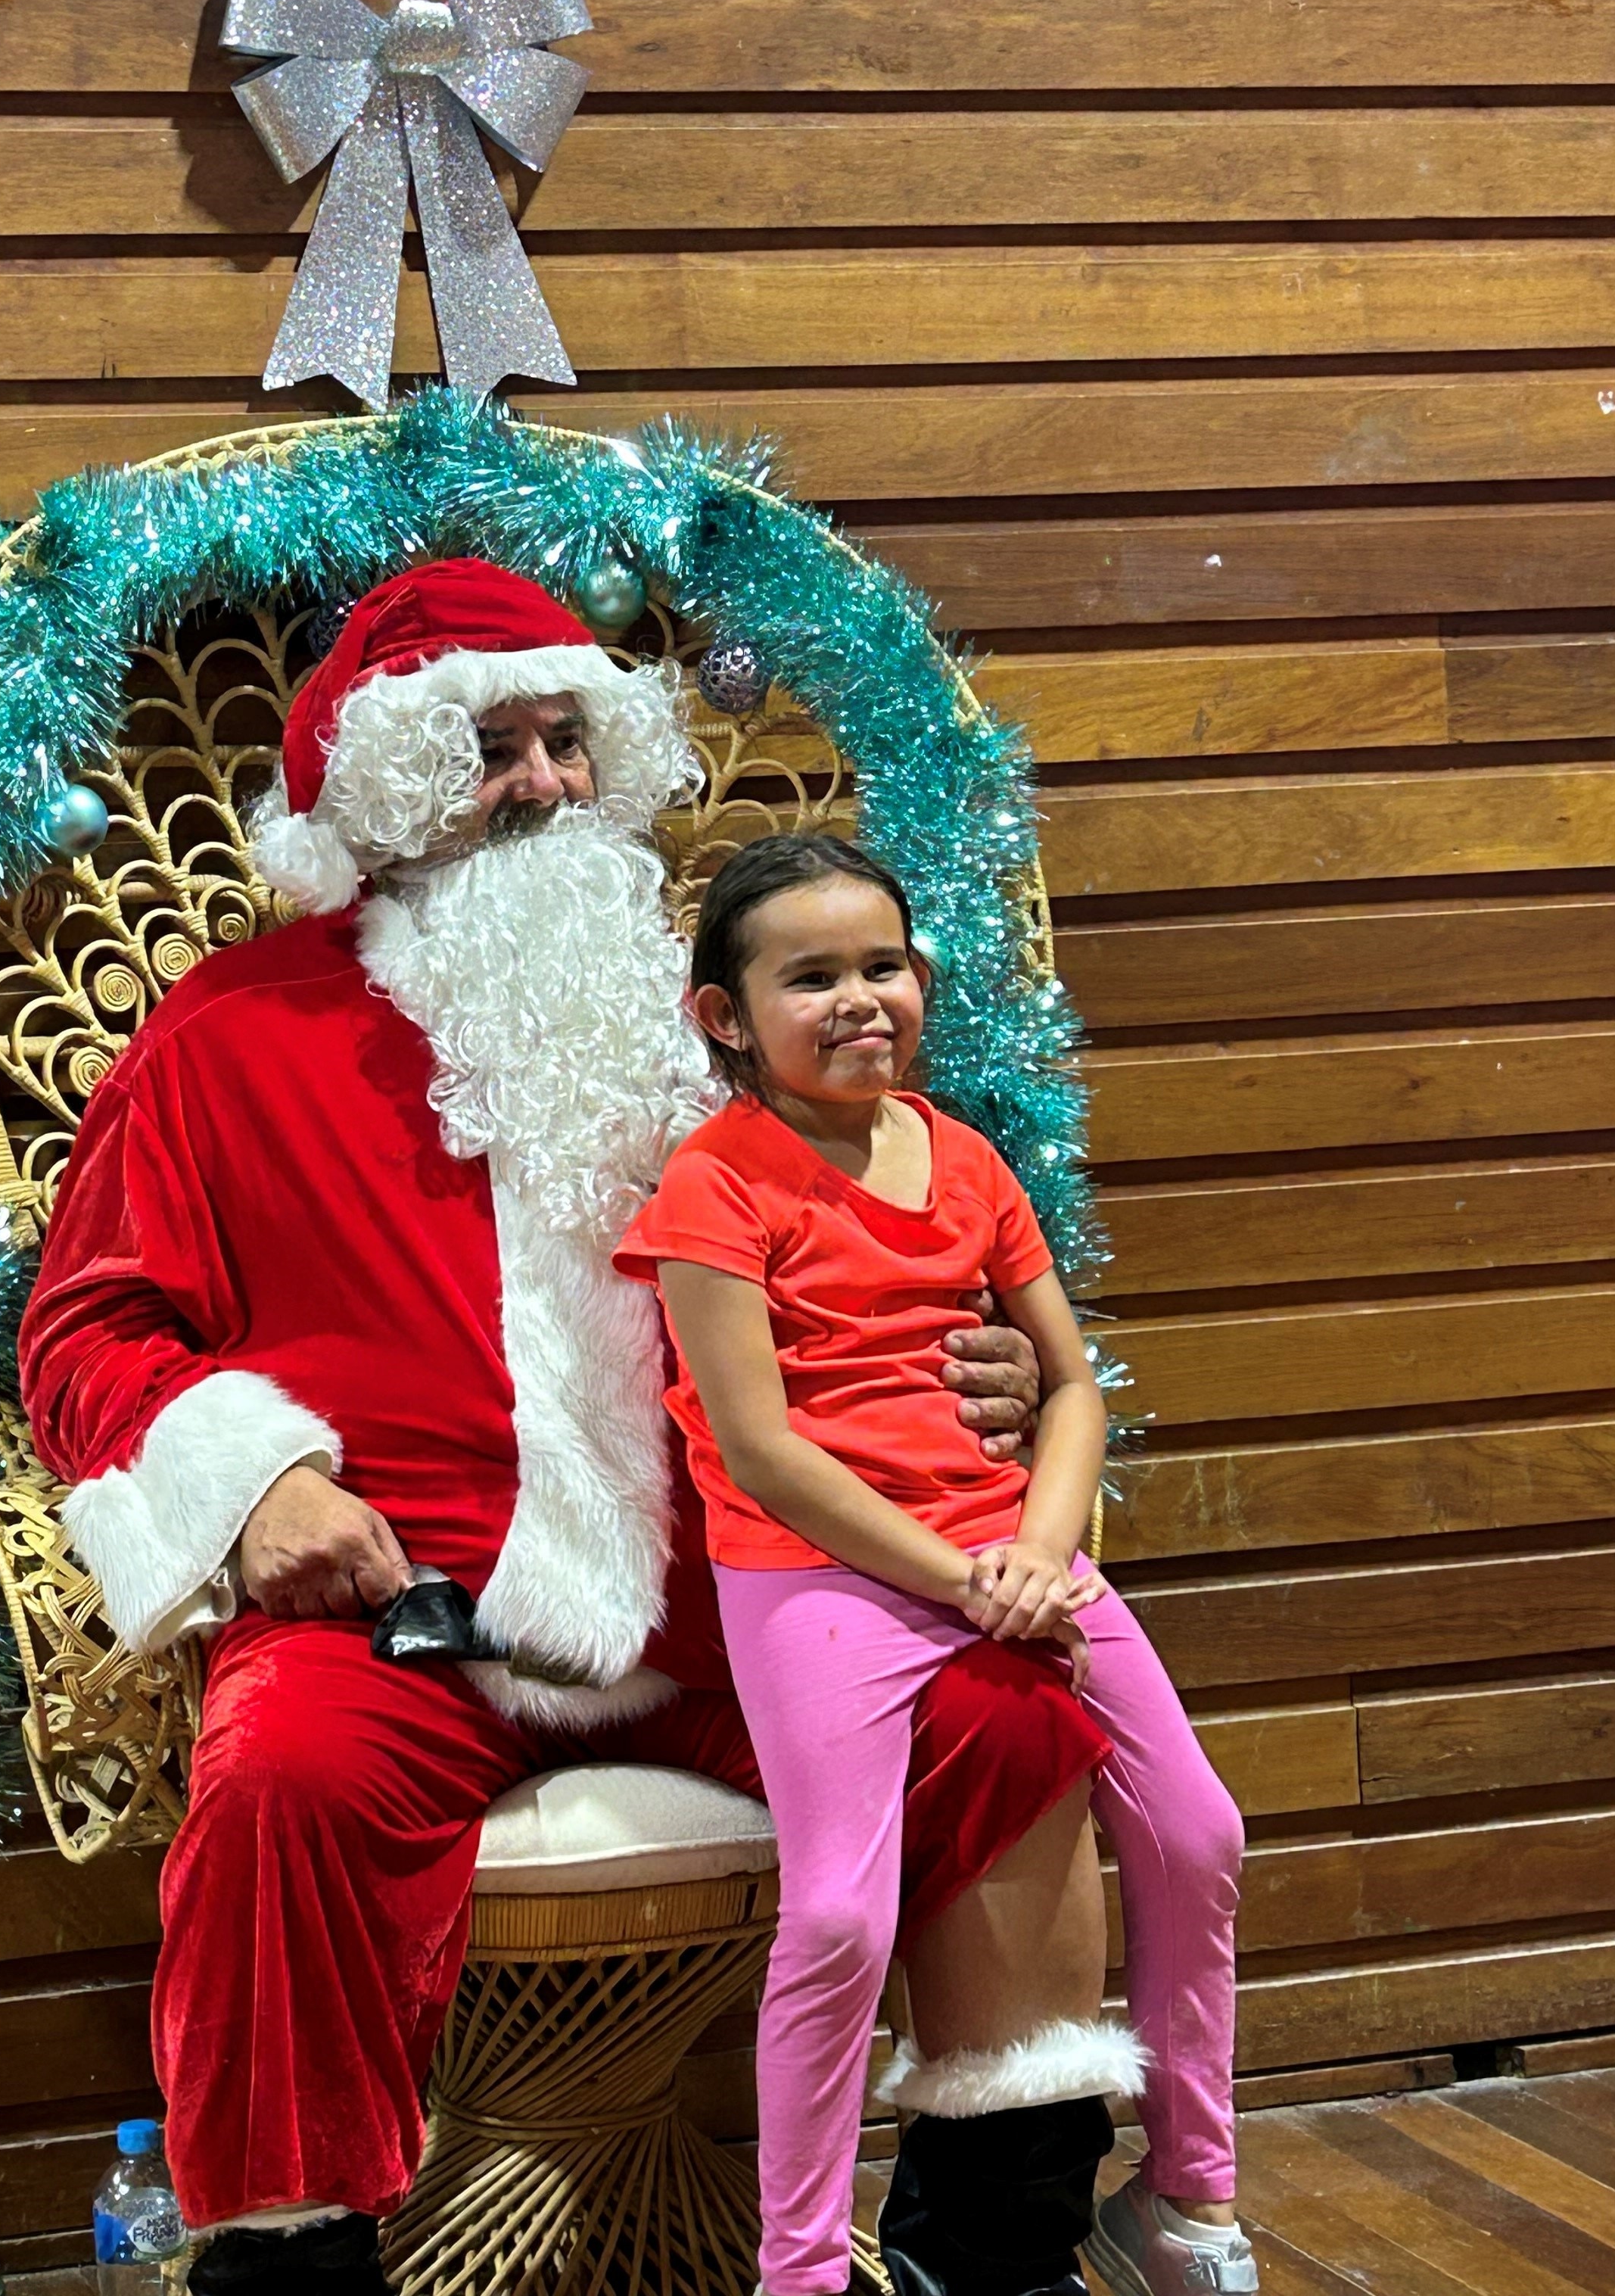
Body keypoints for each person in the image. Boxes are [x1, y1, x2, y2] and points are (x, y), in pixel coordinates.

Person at [18, 559, 1106, 2296]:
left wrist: (966, 1368)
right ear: (379, 787)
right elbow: (88, 1330)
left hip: (738, 1596)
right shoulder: (227, 1041)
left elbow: (900, 1247)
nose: (541, 784)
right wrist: (255, 1488)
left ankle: (1000, 2235)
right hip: (396, 1611)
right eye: (486, 746)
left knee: (1001, 1711)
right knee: (274, 1783)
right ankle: (291, 2268)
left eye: (566, 740)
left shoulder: (718, 1035)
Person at [614, 831, 1255, 2296]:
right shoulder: (717, 1184)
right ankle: (802, 2274)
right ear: (725, 1017)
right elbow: (763, 1451)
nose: (860, 1000)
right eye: (812, 976)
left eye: (883, 966)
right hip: (815, 1578)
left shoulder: (965, 1159)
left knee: (1200, 1832)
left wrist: (1036, 1552)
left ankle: (1185, 2194)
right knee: (841, 1913)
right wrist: (965, 1583)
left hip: (1003, 1555)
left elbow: (1073, 1386)